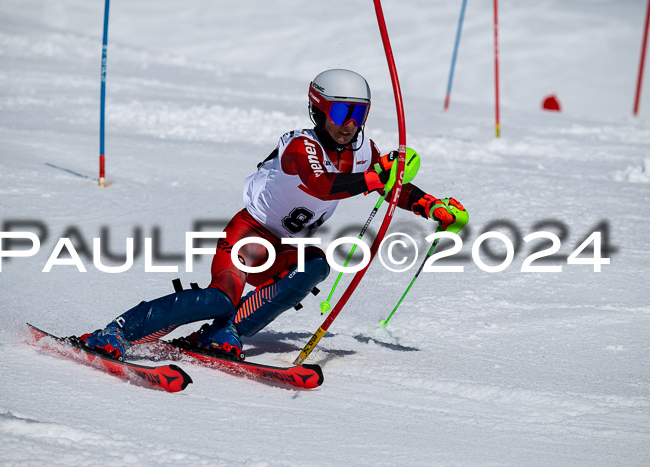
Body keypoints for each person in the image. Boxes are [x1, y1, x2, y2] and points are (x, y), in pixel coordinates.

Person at [79, 69, 464, 361]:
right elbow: (322, 185)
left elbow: (388, 184)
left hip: (286, 247)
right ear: (318, 109)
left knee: (314, 267)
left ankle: (221, 335)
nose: (350, 123)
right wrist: (375, 176)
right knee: (219, 299)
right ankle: (114, 333)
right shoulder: (301, 146)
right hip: (249, 238)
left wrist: (431, 206)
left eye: (359, 113)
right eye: (342, 111)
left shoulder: (364, 151)